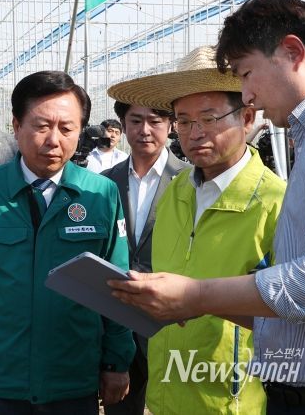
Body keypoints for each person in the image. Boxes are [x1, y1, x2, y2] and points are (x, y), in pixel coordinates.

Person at [110, 0, 305, 414]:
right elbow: (304, 301)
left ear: (292, 52)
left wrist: (197, 295)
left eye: (246, 73)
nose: (248, 95)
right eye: (184, 121)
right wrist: (192, 301)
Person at [0, 70, 135, 415]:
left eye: (67, 128)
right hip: (0, 379)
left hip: (73, 377)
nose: (54, 140)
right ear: (16, 125)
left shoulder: (101, 194)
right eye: (41, 126)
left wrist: (117, 361)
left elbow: (116, 284)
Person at [108, 45, 285, 414]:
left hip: (233, 400)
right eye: (184, 121)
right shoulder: (176, 193)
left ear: (247, 118)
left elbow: (293, 313)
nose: (195, 133)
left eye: (209, 118)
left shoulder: (275, 204)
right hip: (166, 394)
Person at [100, 101, 187, 415]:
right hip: (119, 318)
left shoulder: (190, 180)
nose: (144, 130)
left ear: (170, 125)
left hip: (172, 321)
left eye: (154, 121)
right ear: (123, 125)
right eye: (135, 121)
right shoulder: (105, 183)